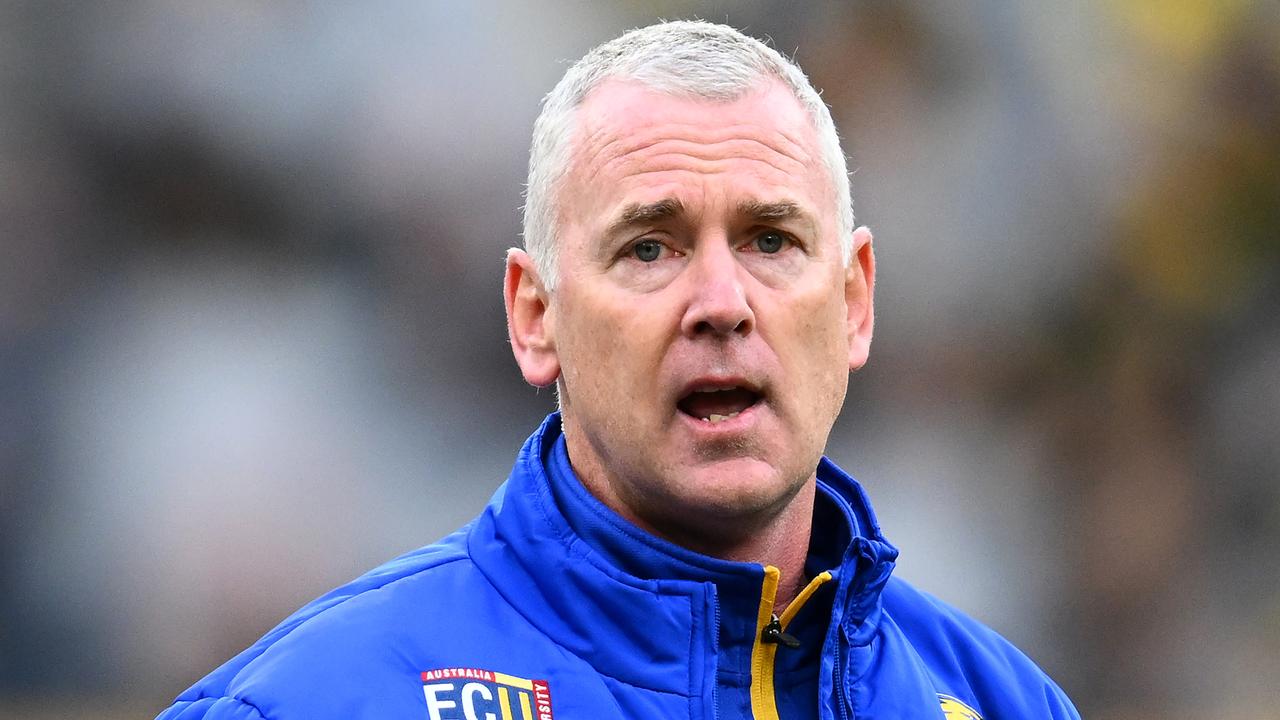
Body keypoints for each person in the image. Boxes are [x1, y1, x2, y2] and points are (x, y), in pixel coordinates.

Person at [157, 20, 1079, 720]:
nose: (722, 300)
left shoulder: (1003, 702)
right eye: (649, 248)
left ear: (853, 303)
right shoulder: (318, 701)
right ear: (535, 317)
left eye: (771, 239)